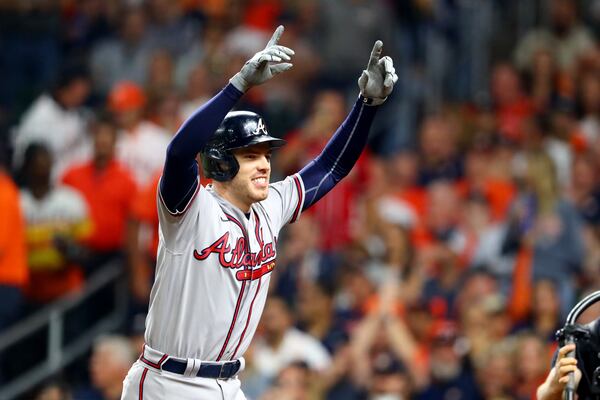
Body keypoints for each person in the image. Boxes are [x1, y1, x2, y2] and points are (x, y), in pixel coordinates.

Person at [120, 25, 398, 399]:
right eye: (250, 156)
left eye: (266, 155)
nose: (264, 164)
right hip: (169, 383)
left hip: (229, 384)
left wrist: (366, 106)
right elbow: (178, 153)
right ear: (219, 162)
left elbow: (331, 167)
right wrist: (238, 85)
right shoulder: (189, 210)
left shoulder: (271, 206)